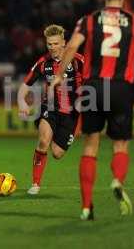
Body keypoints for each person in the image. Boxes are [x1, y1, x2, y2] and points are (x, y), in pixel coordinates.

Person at [50, 0, 134, 220]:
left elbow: (71, 47)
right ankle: (116, 180)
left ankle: (86, 207)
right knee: (120, 144)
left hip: (93, 87)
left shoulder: (89, 20)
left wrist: (59, 76)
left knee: (91, 144)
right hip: (122, 87)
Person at [18, 24, 84, 195]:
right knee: (43, 141)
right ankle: (35, 184)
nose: (52, 47)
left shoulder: (78, 60)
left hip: (71, 114)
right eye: (49, 44)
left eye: (55, 43)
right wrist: (22, 103)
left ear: (64, 42)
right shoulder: (43, 62)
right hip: (50, 109)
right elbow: (25, 85)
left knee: (57, 153)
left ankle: (58, 137)